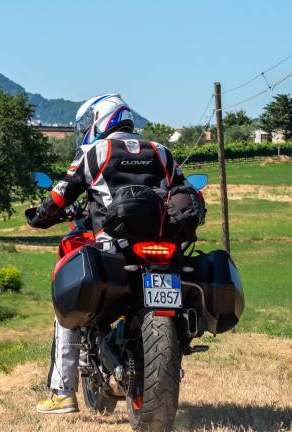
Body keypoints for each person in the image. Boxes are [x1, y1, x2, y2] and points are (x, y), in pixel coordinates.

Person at [29, 94, 188, 414]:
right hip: (162, 253)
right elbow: (183, 192)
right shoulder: (161, 152)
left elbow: (60, 195)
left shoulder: (95, 151)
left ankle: (62, 392)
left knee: (67, 308)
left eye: (88, 123)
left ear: (100, 121)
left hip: (112, 252)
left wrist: (39, 216)